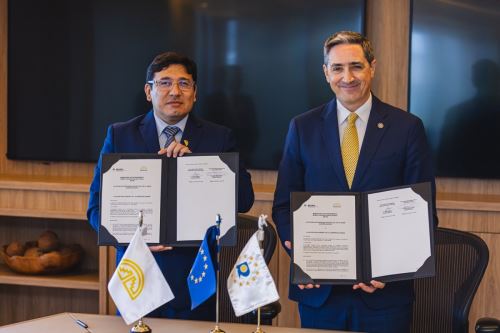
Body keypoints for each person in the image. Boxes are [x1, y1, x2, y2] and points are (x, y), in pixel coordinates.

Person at [272, 31, 437, 333]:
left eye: (356, 66)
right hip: (319, 292)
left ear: (372, 67)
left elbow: (423, 212)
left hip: (385, 295)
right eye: (337, 68)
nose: (347, 77)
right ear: (326, 73)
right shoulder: (302, 127)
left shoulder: (407, 128)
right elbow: (283, 206)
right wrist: (301, 255)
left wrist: (392, 267)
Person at [87, 52, 255, 320]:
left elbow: (244, 199)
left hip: (196, 282)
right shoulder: (120, 135)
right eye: (164, 83)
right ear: (148, 91)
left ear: (195, 92)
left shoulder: (219, 137)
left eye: (184, 83)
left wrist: (199, 167)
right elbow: (96, 209)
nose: (175, 91)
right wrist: (127, 237)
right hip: (137, 278)